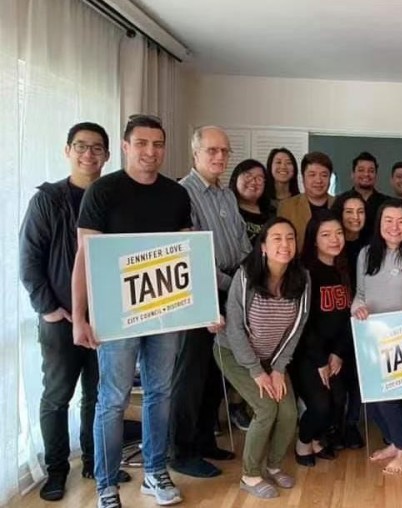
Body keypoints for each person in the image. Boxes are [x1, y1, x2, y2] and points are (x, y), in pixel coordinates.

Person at [72, 115, 193, 508]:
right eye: (141, 143)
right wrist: (79, 316)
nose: (150, 151)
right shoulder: (102, 191)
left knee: (161, 392)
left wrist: (199, 308)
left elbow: (186, 256)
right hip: (115, 315)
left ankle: (155, 472)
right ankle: (106, 485)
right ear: (125, 147)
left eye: (157, 144)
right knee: (113, 399)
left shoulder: (176, 195)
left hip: (165, 313)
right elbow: (85, 258)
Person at [19, 122, 128, 501]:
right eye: (81, 146)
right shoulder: (48, 200)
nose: (89, 154)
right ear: (68, 151)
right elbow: (28, 259)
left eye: (97, 148)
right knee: (57, 395)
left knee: (99, 396)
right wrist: (49, 309)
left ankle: (96, 463)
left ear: (107, 155)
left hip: (107, 317)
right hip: (60, 319)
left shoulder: (114, 198)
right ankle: (56, 471)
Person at [170, 126, 251, 478]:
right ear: (196, 153)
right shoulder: (182, 193)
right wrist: (233, 285)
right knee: (190, 374)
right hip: (200, 291)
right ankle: (181, 451)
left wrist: (246, 282)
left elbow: (243, 243)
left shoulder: (227, 195)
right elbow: (190, 255)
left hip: (231, 287)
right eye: (212, 150)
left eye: (225, 151)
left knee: (215, 371)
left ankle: (204, 440)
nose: (220, 157)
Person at [214, 217, 311, 500]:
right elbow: (234, 328)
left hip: (273, 357)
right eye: (277, 238)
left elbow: (297, 327)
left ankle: (274, 465)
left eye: (290, 238)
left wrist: (278, 369)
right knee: (267, 408)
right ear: (264, 247)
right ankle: (250, 475)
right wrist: (257, 372)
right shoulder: (246, 276)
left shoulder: (302, 278)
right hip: (234, 353)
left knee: (289, 412)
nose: (285, 244)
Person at [351, 199, 402, 475]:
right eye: (388, 220)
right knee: (373, 399)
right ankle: (394, 442)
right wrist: (357, 309)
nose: (394, 227)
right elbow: (360, 295)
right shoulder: (365, 254)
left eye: (401, 221)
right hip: (372, 338)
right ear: (379, 223)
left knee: (390, 398)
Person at [292, 213, 351, 466]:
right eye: (326, 235)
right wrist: (320, 360)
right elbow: (302, 323)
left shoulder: (345, 269)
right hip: (308, 353)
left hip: (335, 351)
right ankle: (303, 442)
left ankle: (316, 438)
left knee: (338, 401)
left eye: (338, 233)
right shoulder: (304, 272)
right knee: (321, 406)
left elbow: (348, 317)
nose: (334, 239)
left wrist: (337, 353)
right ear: (314, 240)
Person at [329, 190, 368, 449]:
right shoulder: (332, 244)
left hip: (363, 319)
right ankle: (334, 426)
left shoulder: (371, 244)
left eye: (360, 211)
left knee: (357, 377)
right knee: (337, 380)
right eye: (349, 212)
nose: (355, 217)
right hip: (335, 320)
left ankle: (352, 424)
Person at [277, 152, 334, 251]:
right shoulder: (287, 207)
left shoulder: (339, 204)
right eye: (312, 175)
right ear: (303, 178)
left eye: (324, 175)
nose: (318, 180)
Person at [343, 152, 390, 241]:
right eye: (361, 170)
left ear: (376, 175)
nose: (366, 174)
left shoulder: (387, 203)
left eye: (371, 171)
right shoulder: (341, 201)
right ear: (352, 174)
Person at [230, 159, 274, 244]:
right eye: (248, 176)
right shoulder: (226, 209)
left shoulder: (272, 212)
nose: (253, 182)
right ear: (236, 178)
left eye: (259, 178)